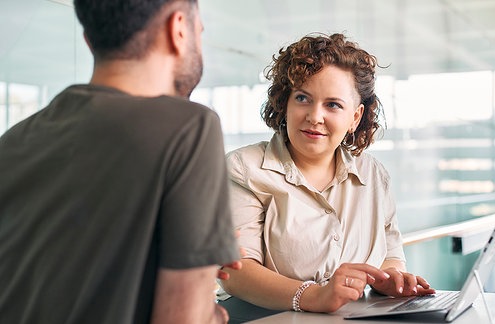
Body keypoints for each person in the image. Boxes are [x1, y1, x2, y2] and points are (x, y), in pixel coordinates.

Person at [0, 0, 240, 323]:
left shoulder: (13, 143)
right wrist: (213, 315)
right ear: (178, 28)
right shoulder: (189, 129)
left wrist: (196, 247)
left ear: (88, 40)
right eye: (200, 31)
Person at [219, 33, 435, 315]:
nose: (314, 116)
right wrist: (313, 296)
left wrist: (390, 279)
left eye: (332, 104)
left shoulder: (373, 175)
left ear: (354, 118)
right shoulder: (243, 168)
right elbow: (235, 272)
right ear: (285, 103)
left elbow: (390, 255)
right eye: (302, 98)